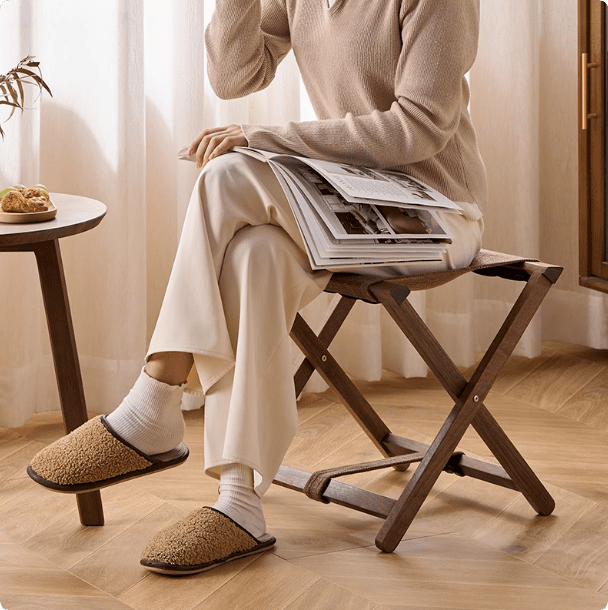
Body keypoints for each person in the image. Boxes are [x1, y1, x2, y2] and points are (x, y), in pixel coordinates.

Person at [27, 0, 486, 575]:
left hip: (436, 214)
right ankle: (239, 502)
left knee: (228, 172)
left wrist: (263, 136)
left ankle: (156, 398)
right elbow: (235, 76)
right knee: (255, 254)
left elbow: (419, 127)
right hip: (346, 198)